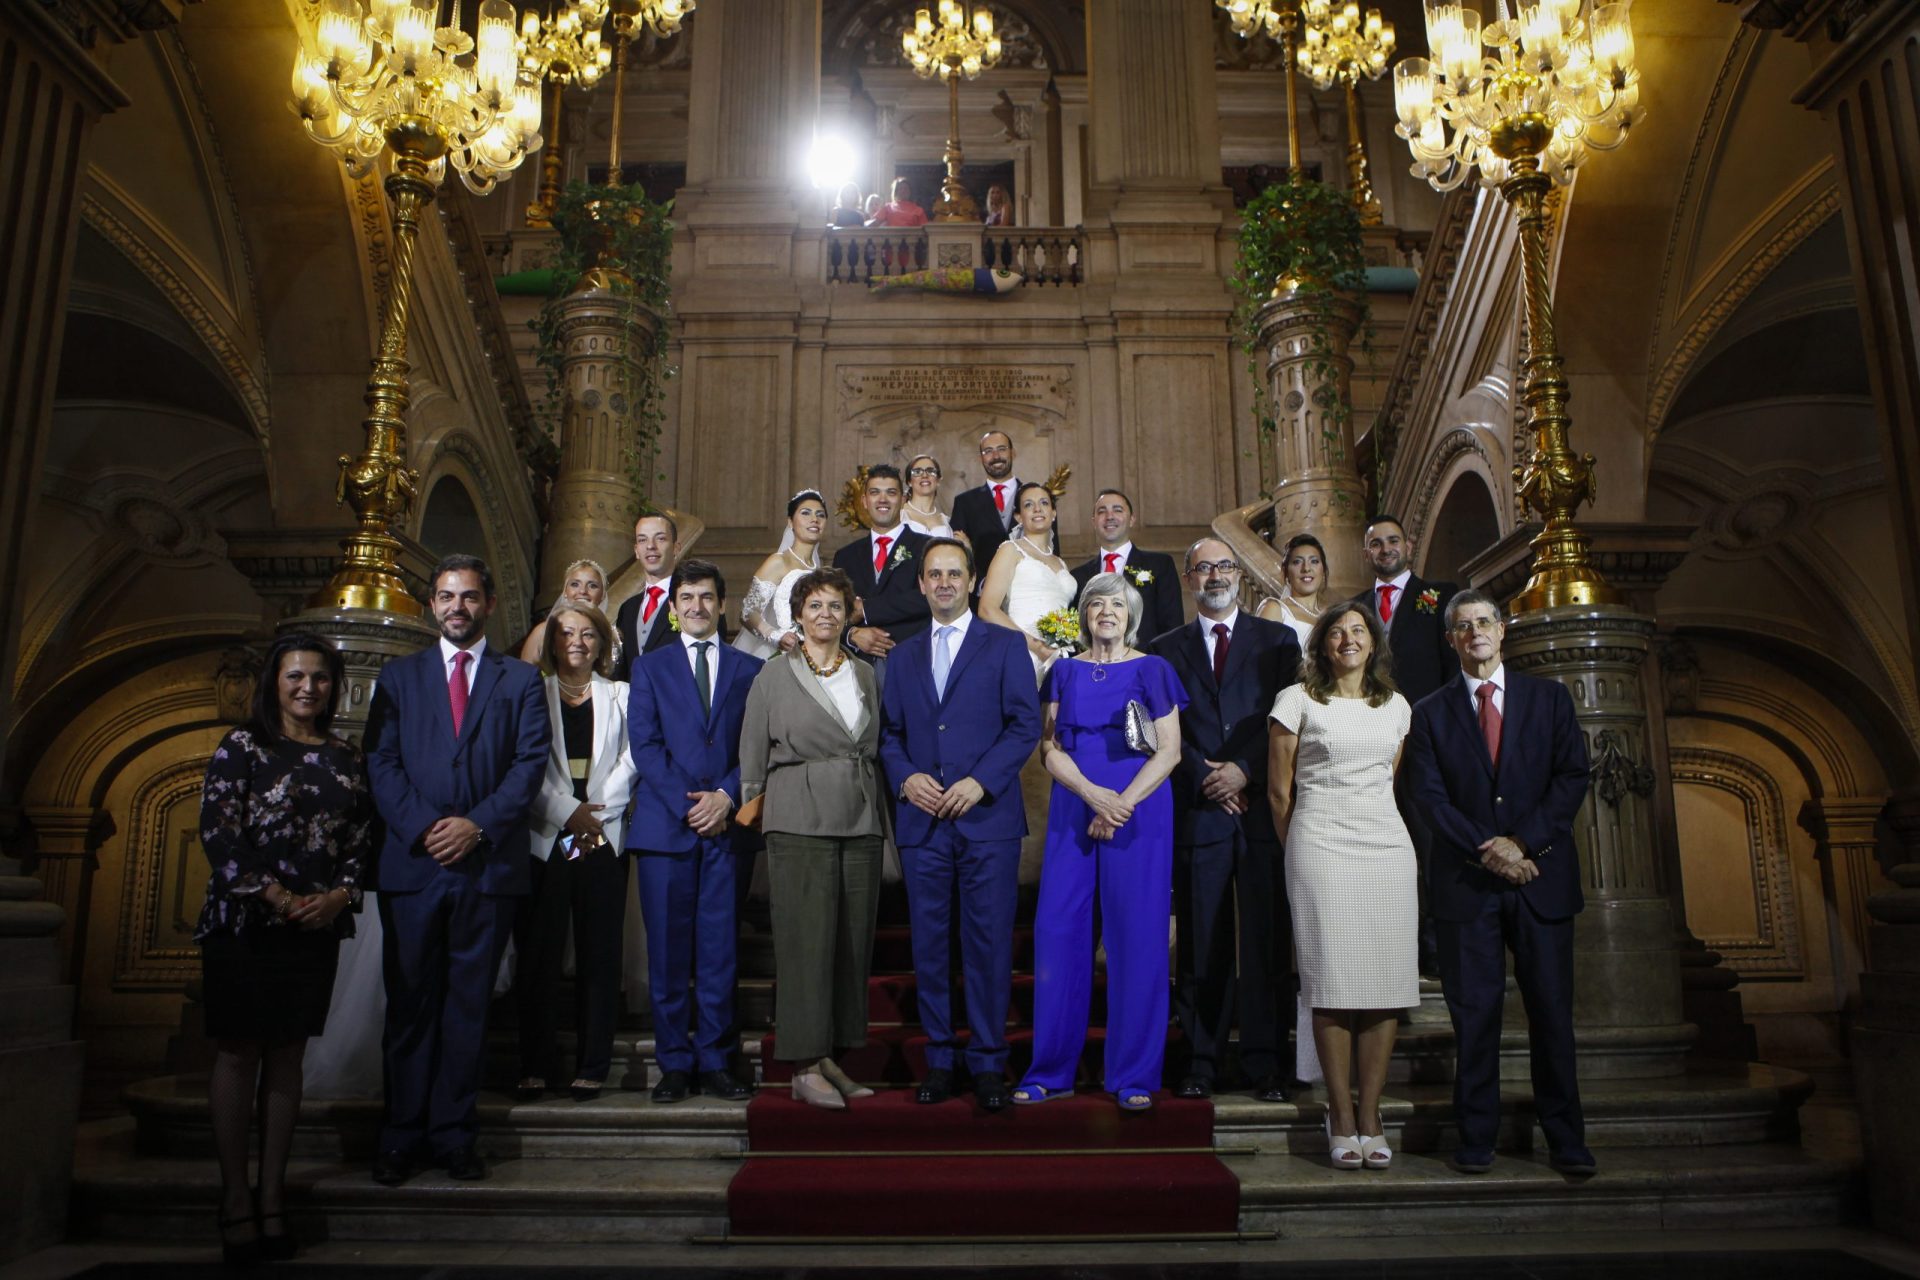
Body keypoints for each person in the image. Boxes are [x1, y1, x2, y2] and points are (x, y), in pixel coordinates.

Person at [364, 554, 549, 1186]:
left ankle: (453, 1135)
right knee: (411, 1005)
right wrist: (423, 827)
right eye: (446, 597)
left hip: (486, 866)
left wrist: (477, 825)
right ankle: (400, 1136)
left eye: (469, 597)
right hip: (413, 866)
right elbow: (381, 764)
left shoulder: (519, 681)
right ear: (431, 604)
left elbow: (529, 767)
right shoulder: (399, 678)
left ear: (489, 605)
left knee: (468, 1009)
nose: (457, 608)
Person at [1404, 589, 1596, 1177]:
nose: (1475, 633)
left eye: (1483, 622)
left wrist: (1522, 844)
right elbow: (1428, 796)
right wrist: (1489, 852)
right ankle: (1477, 1136)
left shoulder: (1549, 699)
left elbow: (1571, 776)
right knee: (1475, 1015)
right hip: (1468, 885)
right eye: (1462, 627)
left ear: (1502, 630)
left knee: (1550, 1014)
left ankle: (1565, 1139)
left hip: (1541, 879)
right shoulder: (1430, 712)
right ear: (1451, 641)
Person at [195, 634, 371, 1263]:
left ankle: (272, 1196)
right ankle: (234, 1197)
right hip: (243, 925)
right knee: (240, 1054)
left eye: (320, 678)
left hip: (314, 928)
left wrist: (341, 895)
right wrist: (274, 896)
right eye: (296, 676)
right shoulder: (243, 746)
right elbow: (219, 832)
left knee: (288, 1059)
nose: (308, 688)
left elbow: (358, 839)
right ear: (275, 681)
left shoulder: (347, 757)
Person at [879, 538, 1042, 1110]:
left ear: (972, 582)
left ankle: (990, 1063)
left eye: (954, 573)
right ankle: (941, 1060)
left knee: (989, 944)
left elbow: (1024, 725)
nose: (944, 582)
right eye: (934, 574)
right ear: (921, 584)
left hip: (987, 819)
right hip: (922, 821)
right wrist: (905, 777)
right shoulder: (900, 657)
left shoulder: (1004, 645)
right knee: (929, 947)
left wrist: (982, 782)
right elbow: (889, 734)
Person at [1015, 573, 1187, 1111]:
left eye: (1117, 604)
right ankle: (1051, 1071)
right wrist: (1095, 797)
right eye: (1096, 604)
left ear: (1131, 614)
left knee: (1137, 939)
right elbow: (1050, 749)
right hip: (1075, 809)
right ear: (1083, 615)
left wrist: (1121, 804)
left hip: (1140, 814)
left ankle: (1133, 1075)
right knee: (1058, 932)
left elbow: (1170, 751)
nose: (1106, 612)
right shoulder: (1062, 671)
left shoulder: (1154, 668)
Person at [1149, 538, 1301, 1102]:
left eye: (1224, 565)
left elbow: (1289, 721)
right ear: (1189, 578)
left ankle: (1266, 1064)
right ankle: (1202, 1060)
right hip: (1198, 811)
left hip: (1263, 808)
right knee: (1200, 941)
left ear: (1240, 576)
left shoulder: (1279, 642)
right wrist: (1204, 773)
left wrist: (1243, 770)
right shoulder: (1163, 649)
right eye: (1204, 567)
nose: (1215, 575)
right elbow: (1157, 730)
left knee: (1264, 940)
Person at [1268, 602, 1418, 1171]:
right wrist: (1300, 850)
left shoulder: (1397, 706)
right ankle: (1340, 1113)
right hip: (1320, 845)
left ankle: (1372, 1115)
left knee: (1384, 983)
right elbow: (1279, 792)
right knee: (1331, 980)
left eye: (1358, 631)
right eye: (1337, 632)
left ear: (1373, 643)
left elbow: (1390, 779)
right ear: (1323, 646)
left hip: (1385, 848)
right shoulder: (1298, 699)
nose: (1349, 640)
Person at [739, 567, 887, 1109]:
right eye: (814, 606)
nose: (825, 614)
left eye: (835, 606)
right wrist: (755, 808)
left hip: (860, 815)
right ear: (798, 616)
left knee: (850, 944)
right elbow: (752, 752)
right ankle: (803, 1063)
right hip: (797, 816)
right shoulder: (773, 676)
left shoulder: (866, 674)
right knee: (805, 944)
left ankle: (832, 1058)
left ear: (849, 614)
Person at [627, 560, 760, 1104]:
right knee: (668, 954)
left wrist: (726, 797)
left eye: (707, 597)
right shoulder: (649, 668)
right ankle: (675, 1064)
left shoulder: (749, 670)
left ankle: (716, 1058)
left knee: (719, 951)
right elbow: (646, 746)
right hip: (667, 828)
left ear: (722, 605)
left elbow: (755, 746)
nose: (698, 607)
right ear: (674, 607)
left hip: (728, 829)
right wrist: (690, 805)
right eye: (687, 598)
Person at [511, 600, 637, 1104]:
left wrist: (594, 817)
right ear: (551, 643)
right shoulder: (530, 693)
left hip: (602, 838)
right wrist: (567, 812)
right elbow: (525, 764)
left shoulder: (621, 694)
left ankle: (593, 1063)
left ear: (602, 643)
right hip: (546, 838)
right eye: (566, 635)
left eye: (587, 635)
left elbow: (632, 759)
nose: (577, 644)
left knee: (599, 954)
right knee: (539, 955)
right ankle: (535, 1063)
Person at [1356, 514, 1457, 977]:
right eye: (1376, 544)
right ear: (1366, 552)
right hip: (1370, 747)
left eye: (1392, 541)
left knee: (1430, 845)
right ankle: (1388, 947)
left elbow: (1452, 672)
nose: (1385, 549)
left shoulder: (1438, 598)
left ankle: (1435, 949)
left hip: (1423, 742)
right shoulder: (1356, 608)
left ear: (1409, 544)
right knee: (1377, 851)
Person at [830, 464, 932, 689]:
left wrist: (866, 609)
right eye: (875, 492)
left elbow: (930, 598)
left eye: (891, 493)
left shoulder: (927, 547)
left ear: (904, 499)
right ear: (865, 500)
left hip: (912, 663)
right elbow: (833, 609)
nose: (882, 499)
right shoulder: (845, 556)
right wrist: (852, 634)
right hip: (856, 669)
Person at [977, 481, 1076, 678]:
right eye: (1028, 505)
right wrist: (1037, 646)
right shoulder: (1010, 550)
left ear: (1054, 512)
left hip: (1060, 655)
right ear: (1018, 517)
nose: (1037, 509)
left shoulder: (1061, 563)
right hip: (1023, 651)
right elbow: (987, 609)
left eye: (1044, 503)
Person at [1071, 488, 1183, 644]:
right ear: (1094, 522)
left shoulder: (1160, 565)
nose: (1109, 517)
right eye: (1102, 512)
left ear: (1132, 519)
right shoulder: (1078, 576)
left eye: (1117, 510)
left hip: (1146, 662)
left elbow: (1173, 626)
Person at [737, 490, 829, 659]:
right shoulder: (778, 562)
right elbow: (748, 612)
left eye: (820, 515)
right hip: (780, 654)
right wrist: (775, 636)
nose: (814, 519)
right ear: (790, 522)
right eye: (805, 513)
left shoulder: (821, 570)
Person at [519, 558, 620, 671]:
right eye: (575, 584)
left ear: (602, 595)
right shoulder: (543, 632)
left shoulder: (613, 637)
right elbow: (523, 678)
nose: (582, 591)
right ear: (565, 592)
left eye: (592, 586)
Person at [614, 512, 682, 682]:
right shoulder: (627, 608)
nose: (650, 546)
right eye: (643, 540)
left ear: (676, 548)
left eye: (660, 538)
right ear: (636, 551)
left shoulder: (693, 601)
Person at [949, 430, 1022, 571]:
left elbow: (1051, 552)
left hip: (1029, 588)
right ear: (980, 458)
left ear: (1013, 453)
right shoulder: (964, 503)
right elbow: (956, 556)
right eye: (988, 451)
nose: (996, 456)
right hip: (981, 589)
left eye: (1001, 449)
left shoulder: (1036, 497)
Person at [1256, 533, 1330, 650]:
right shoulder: (1275, 609)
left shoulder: (1331, 614)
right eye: (1297, 562)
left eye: (1314, 561)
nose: (1306, 568)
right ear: (1286, 571)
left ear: (1323, 570)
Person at [901, 454, 955, 537]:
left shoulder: (947, 522)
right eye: (917, 472)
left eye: (930, 471)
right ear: (909, 482)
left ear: (938, 480)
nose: (925, 475)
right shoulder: (899, 515)